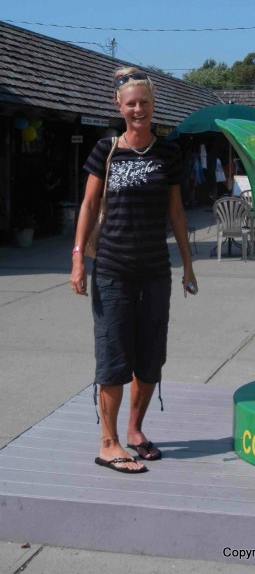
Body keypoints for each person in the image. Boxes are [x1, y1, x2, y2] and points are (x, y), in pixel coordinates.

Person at [70, 67, 198, 474]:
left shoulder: (169, 154)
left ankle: (135, 431)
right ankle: (107, 443)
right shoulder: (105, 150)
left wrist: (188, 263)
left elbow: (175, 210)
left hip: (155, 272)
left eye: (144, 102)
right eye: (131, 104)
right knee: (113, 357)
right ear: (119, 106)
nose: (138, 109)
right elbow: (89, 206)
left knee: (150, 359)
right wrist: (77, 258)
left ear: (153, 105)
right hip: (112, 270)